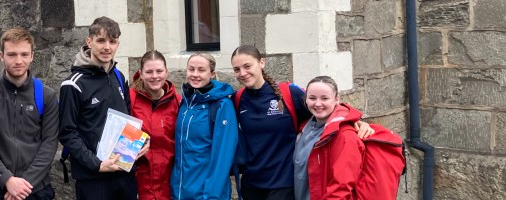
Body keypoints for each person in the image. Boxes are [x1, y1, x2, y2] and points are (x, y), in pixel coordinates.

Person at [230, 45, 373, 200]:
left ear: (262, 63)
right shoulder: (238, 99)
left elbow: (324, 107)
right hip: (251, 185)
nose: (242, 73)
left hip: (284, 184)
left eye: (247, 66)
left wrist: (355, 120)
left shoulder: (288, 93)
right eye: (237, 69)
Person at [58, 16, 146, 200]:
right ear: (89, 42)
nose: (107, 47)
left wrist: (140, 142)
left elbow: (127, 120)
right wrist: (97, 164)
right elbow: (67, 133)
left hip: (123, 173)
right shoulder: (73, 84)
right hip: (93, 179)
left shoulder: (119, 77)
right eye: (101, 41)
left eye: (112, 42)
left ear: (117, 44)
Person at [0, 28, 59, 200]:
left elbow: (49, 143)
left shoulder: (46, 95)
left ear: (32, 56)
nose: (18, 60)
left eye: (24, 54)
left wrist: (22, 184)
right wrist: (7, 180)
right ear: (1, 55)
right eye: (12, 54)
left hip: (35, 189)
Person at [170, 53, 238, 200]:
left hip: (206, 193)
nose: (195, 74)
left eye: (201, 70)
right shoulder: (186, 102)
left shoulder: (222, 105)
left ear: (212, 74)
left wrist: (212, 195)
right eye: (191, 69)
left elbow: (223, 156)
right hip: (180, 191)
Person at [294, 76, 364, 200]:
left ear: (337, 99)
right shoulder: (305, 128)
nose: (317, 103)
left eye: (324, 98)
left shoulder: (345, 136)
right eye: (312, 98)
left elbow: (342, 186)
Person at [128, 50, 179, 200]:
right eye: (149, 72)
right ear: (141, 73)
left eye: (159, 71)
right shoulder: (129, 99)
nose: (155, 76)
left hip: (168, 184)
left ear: (166, 72)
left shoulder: (178, 102)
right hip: (139, 184)